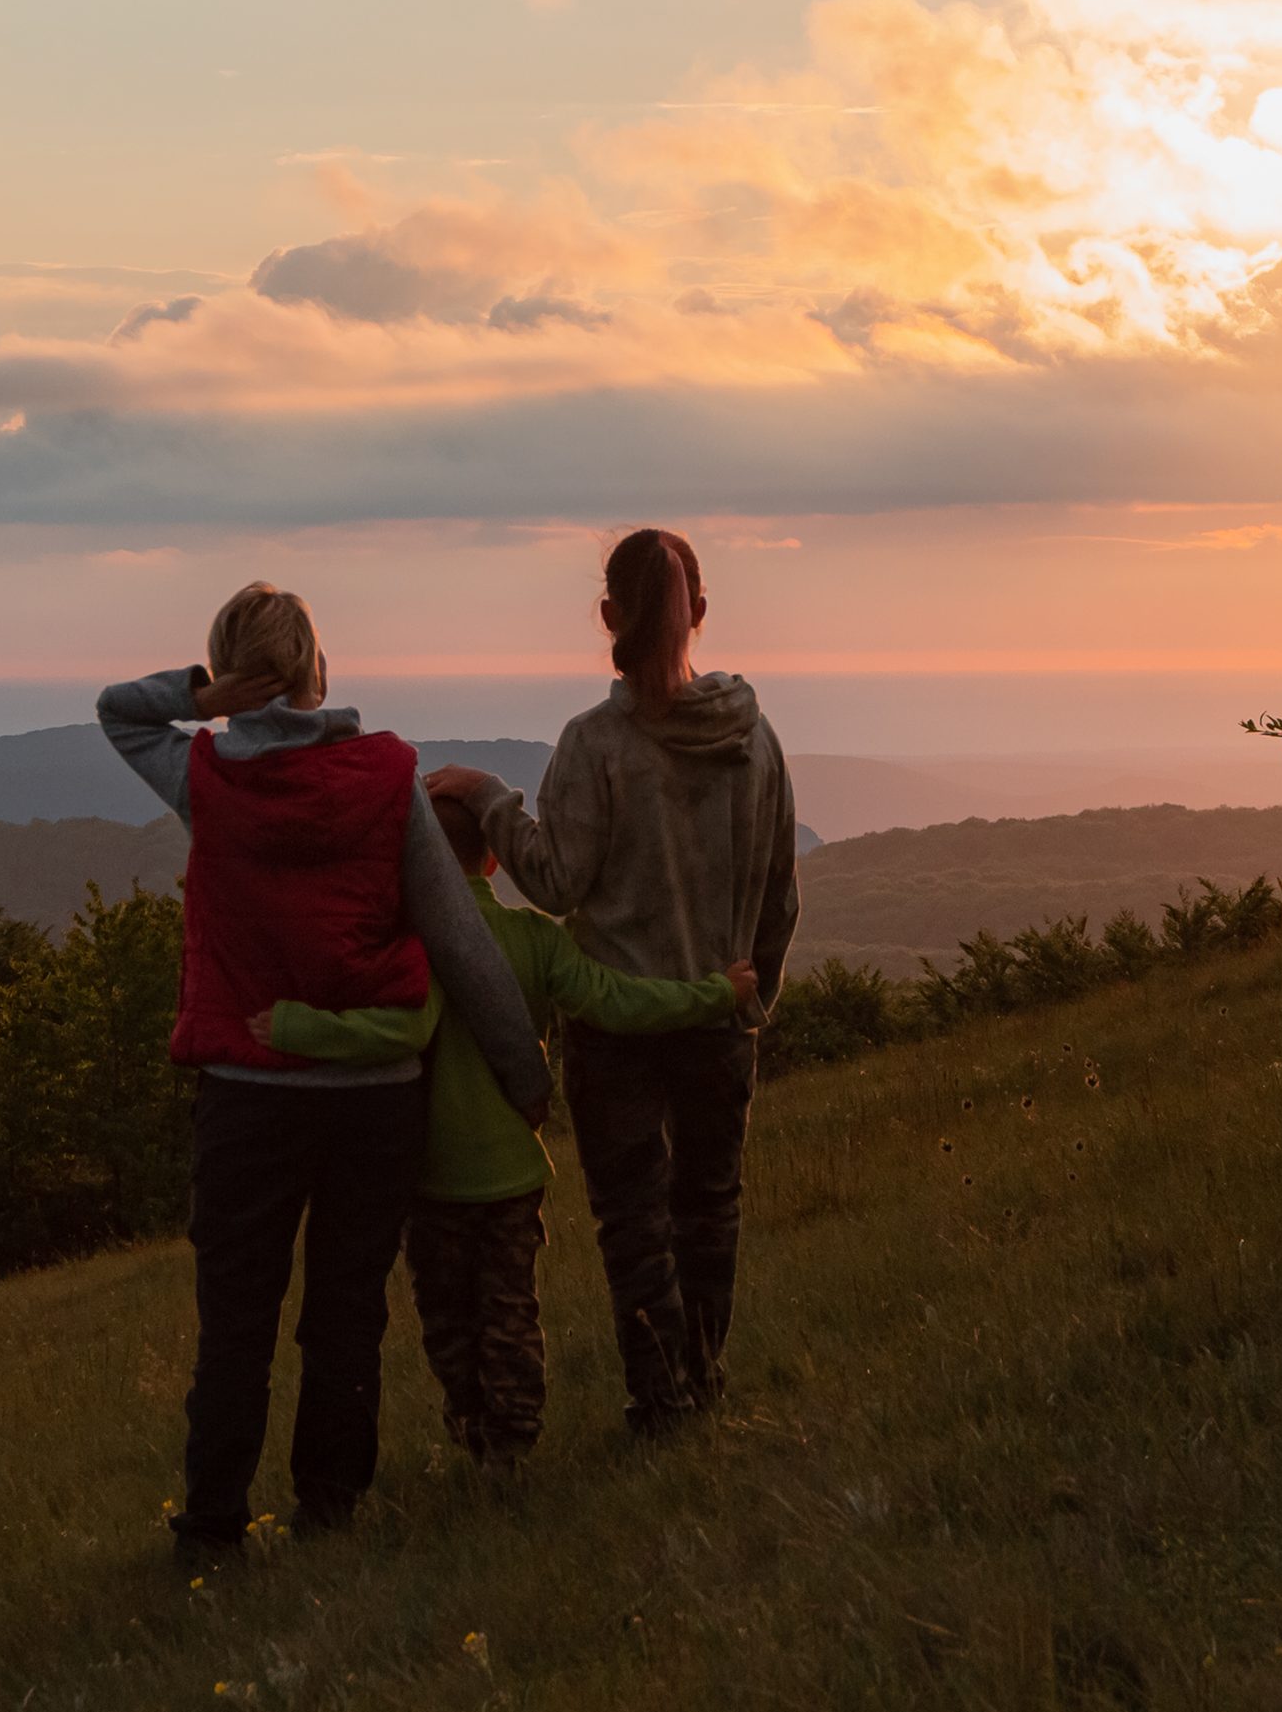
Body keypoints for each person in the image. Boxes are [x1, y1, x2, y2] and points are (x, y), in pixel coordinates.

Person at [98, 583, 553, 1564]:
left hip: (246, 1099)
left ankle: (212, 1530)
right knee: (346, 1312)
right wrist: (526, 1074)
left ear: (235, 674)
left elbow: (118, 711)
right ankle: (331, 1511)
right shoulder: (388, 778)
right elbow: (459, 939)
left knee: (237, 1320)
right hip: (374, 1102)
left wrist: (202, 697)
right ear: (318, 667)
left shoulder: (210, 777)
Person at [248, 794, 759, 1471]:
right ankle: (511, 1453)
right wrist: (716, 994)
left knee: (446, 1324)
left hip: (429, 1177)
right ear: (493, 859)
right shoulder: (535, 938)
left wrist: (293, 1026)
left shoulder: (405, 943)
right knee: (510, 1314)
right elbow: (617, 1000)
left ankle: (479, 1440)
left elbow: (393, 1032)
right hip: (513, 1175)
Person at [431, 529, 798, 1435]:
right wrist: (751, 1000)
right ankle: (700, 1382)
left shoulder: (595, 745)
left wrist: (490, 797)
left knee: (635, 1224)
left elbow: (556, 882)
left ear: (608, 616)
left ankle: (661, 1401)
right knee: (710, 1211)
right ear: (700, 612)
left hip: (616, 1031)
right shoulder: (755, 740)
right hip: (719, 1021)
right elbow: (780, 893)